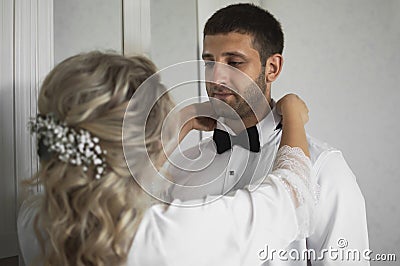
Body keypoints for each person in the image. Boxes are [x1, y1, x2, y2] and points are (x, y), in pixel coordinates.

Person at [18, 51, 316, 265]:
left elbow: (129, 169)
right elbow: (292, 197)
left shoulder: (34, 220)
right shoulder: (168, 235)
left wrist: (182, 118)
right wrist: (292, 113)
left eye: (234, 62)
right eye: (209, 62)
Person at [167, 3, 369, 265]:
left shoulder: (323, 168)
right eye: (209, 63)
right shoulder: (181, 166)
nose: (217, 77)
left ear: (272, 68)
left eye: (234, 62)